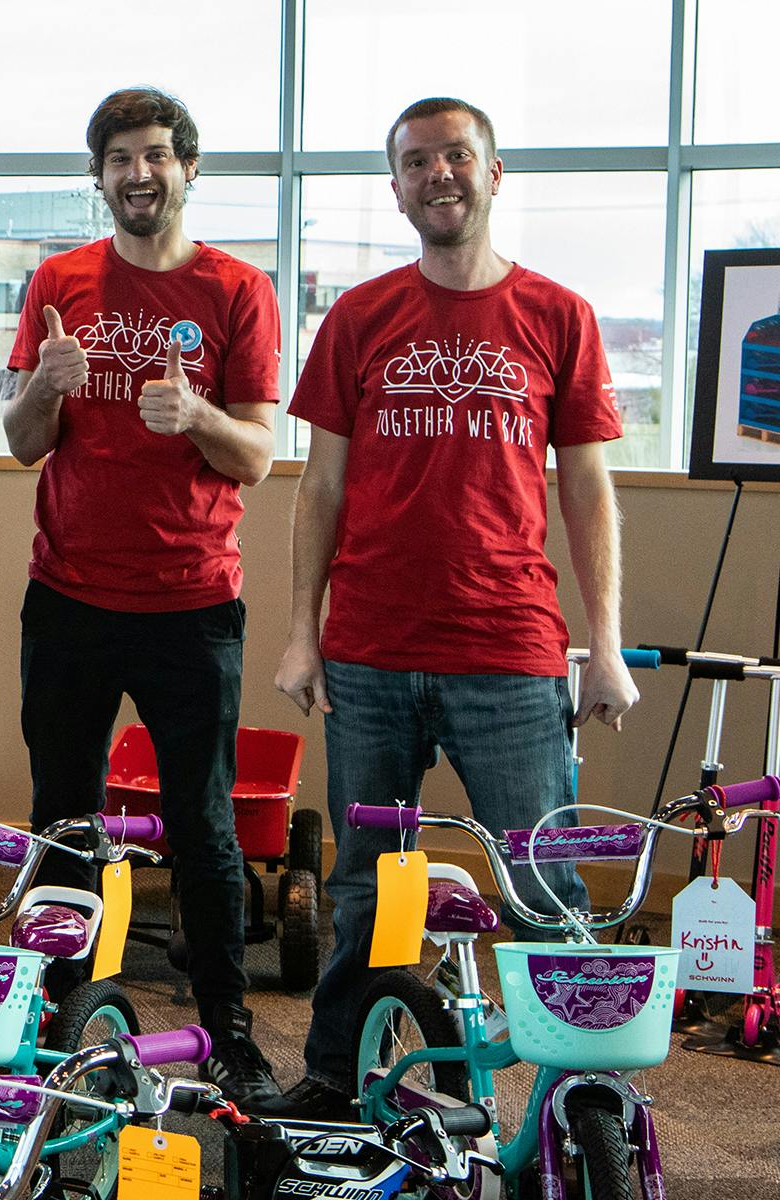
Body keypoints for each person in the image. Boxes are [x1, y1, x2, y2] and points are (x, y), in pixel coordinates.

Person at [268, 97, 637, 1118]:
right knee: (363, 892)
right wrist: (304, 634)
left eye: (457, 157)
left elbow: (587, 489)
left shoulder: (559, 316)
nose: (440, 174)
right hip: (372, 656)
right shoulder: (361, 317)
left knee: (546, 892)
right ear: (396, 188)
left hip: (510, 655)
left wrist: (603, 647)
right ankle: (336, 1080)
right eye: (418, 162)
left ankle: (581, 1098)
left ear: (493, 172)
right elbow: (322, 489)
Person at [0, 87, 284, 1106]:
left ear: (187, 167)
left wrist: (197, 413)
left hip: (192, 605)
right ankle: (64, 1015)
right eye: (119, 156)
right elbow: (23, 442)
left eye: (156, 154)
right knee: (63, 818)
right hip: (69, 600)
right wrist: (47, 385)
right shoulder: (59, 281)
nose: (137, 172)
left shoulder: (239, 289)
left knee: (204, 827)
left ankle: (229, 1029)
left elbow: (258, 454)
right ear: (99, 176)